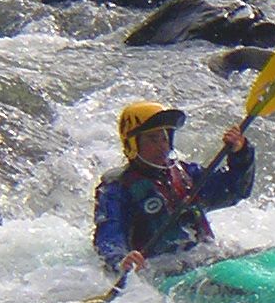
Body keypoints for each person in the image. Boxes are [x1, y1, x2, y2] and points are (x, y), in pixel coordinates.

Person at [93, 100, 254, 276]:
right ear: (133, 144)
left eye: (164, 138)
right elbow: (108, 238)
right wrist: (121, 261)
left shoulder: (187, 174)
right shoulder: (116, 189)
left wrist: (241, 153)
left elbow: (235, 190)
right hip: (162, 273)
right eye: (152, 139)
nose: (162, 145)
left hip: (205, 262)